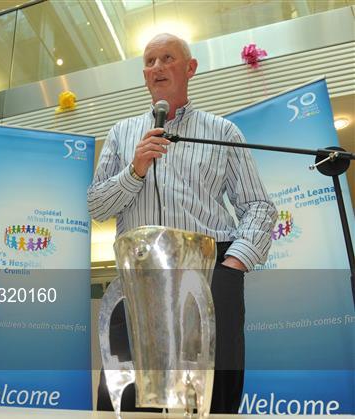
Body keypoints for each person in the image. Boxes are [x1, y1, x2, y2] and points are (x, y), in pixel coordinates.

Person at [87, 33, 277, 413]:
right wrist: (135, 170)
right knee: (130, 392)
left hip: (208, 274)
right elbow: (96, 205)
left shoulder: (222, 132)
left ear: (190, 68)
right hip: (139, 276)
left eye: (167, 58)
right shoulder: (121, 134)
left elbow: (259, 206)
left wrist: (232, 265)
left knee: (209, 392)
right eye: (150, 61)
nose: (156, 67)